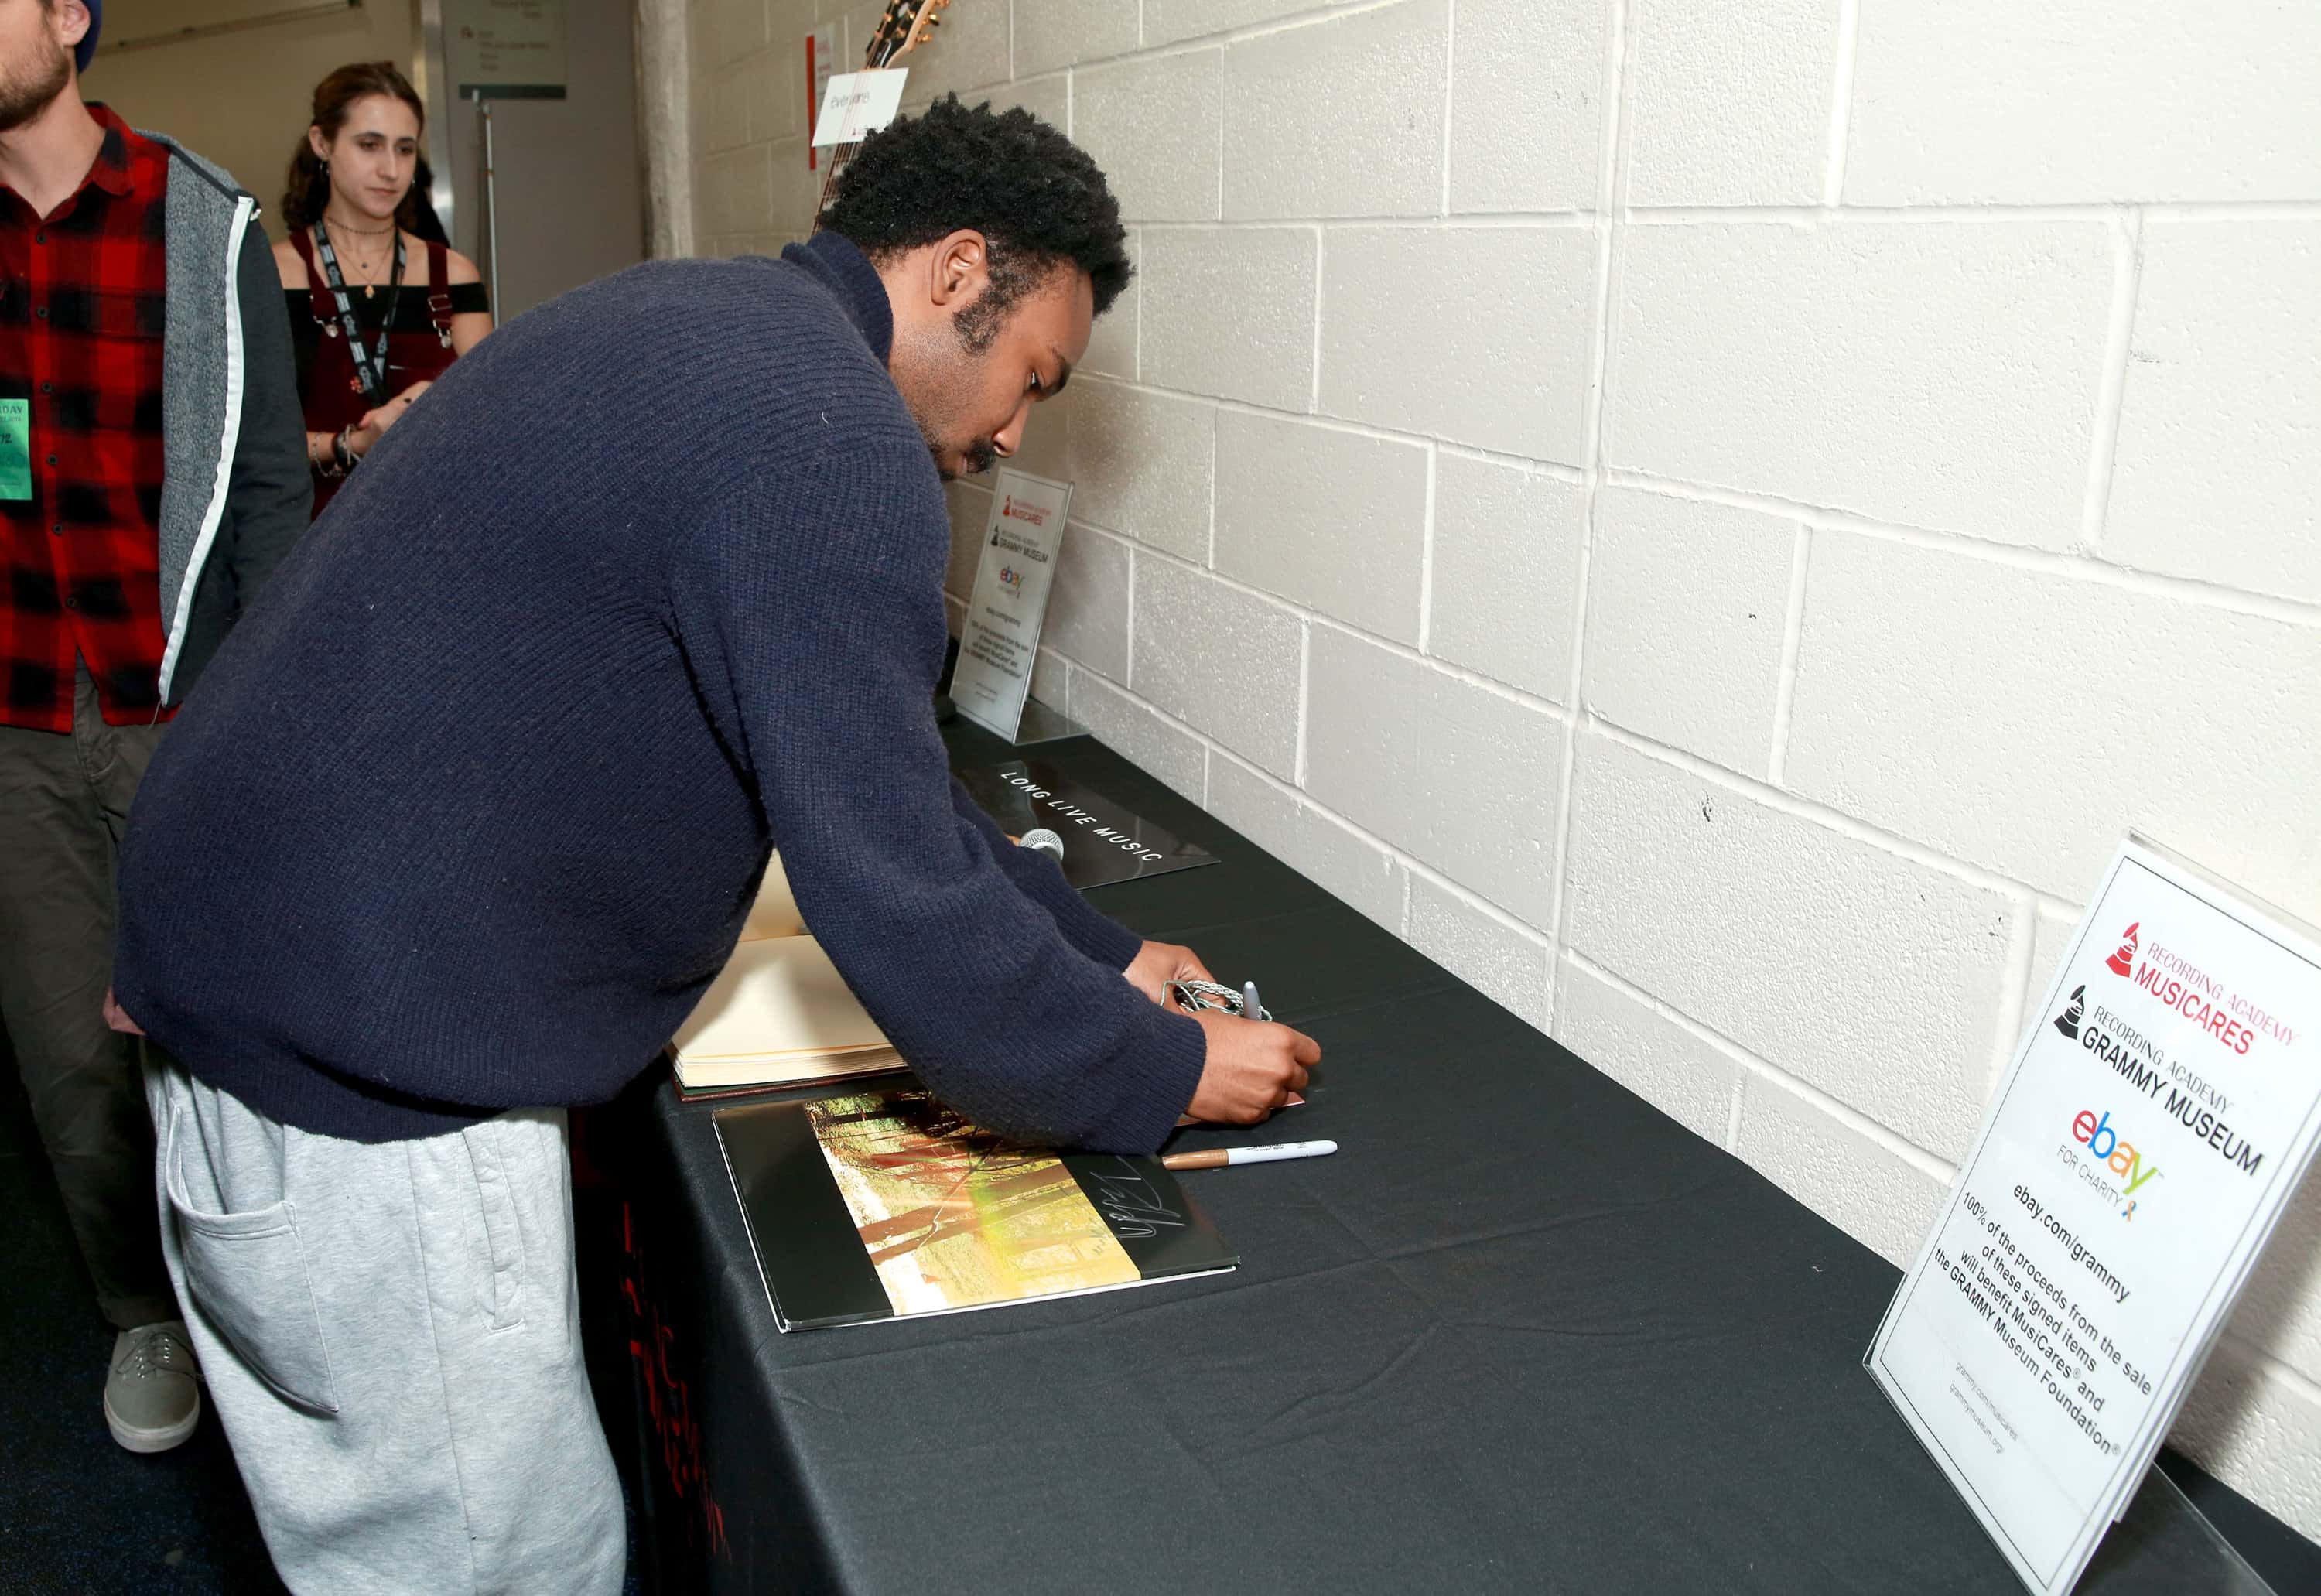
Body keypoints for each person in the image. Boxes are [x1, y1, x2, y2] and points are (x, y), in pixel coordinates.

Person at [111, 94, 1318, 1591]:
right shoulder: (829, 437)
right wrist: (1166, 1070)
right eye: (1029, 377)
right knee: (503, 1565)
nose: (1012, 433)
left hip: (253, 985)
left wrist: (1110, 947)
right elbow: (893, 894)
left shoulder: (716, 321)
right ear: (956, 272)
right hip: (360, 1087)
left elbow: (869, 772)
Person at [0, 0, 308, 1454]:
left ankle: (274, 1310)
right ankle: (142, 1311)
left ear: (68, 15)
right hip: (11, 730)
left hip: (177, 707)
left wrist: (254, 735)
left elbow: (264, 499)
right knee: (69, 1057)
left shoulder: (203, 221)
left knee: (226, 1035)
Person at [272, 62, 489, 517]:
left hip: (434, 527)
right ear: (322, 144)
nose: (390, 169)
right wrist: (350, 444)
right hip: (311, 534)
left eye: (405, 149)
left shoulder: (452, 273)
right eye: (369, 145)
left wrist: (442, 401)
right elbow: (243, 445)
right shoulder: (273, 273)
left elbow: (490, 419)